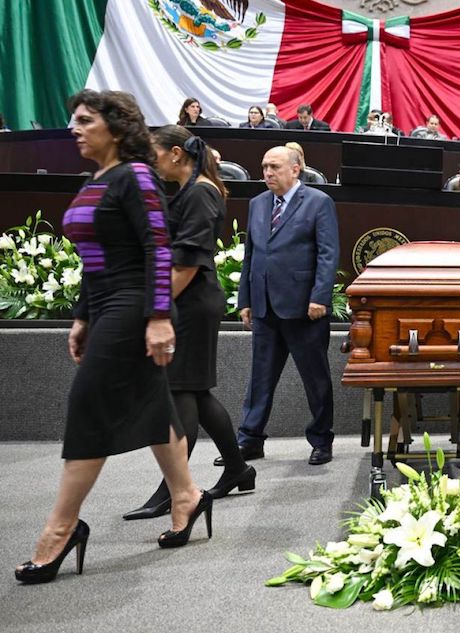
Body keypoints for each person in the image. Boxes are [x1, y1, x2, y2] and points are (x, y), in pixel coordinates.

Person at [15, 90, 213, 585]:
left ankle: (60, 529)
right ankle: (187, 496)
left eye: (85, 120)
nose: (74, 128)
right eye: (73, 120)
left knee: (88, 406)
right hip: (104, 306)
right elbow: (93, 259)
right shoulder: (96, 179)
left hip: (131, 306)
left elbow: (158, 248)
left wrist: (159, 316)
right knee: (154, 404)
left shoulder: (136, 176)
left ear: (116, 126)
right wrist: (82, 315)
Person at [119, 126, 255, 522]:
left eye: (155, 154)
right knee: (196, 392)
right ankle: (237, 468)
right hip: (192, 302)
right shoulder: (193, 189)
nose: (152, 161)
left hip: (191, 303)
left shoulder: (199, 192)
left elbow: (189, 263)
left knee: (181, 393)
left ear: (176, 153)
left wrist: (155, 308)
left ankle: (174, 491)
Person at [231, 146, 339, 466]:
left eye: (274, 167)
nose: (267, 173)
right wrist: (245, 299)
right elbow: (251, 254)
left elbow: (328, 254)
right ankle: (250, 440)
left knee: (315, 378)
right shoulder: (258, 204)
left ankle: (321, 440)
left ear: (295, 169)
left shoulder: (319, 202)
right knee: (259, 378)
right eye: (264, 167)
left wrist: (320, 296)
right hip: (264, 307)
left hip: (305, 308)